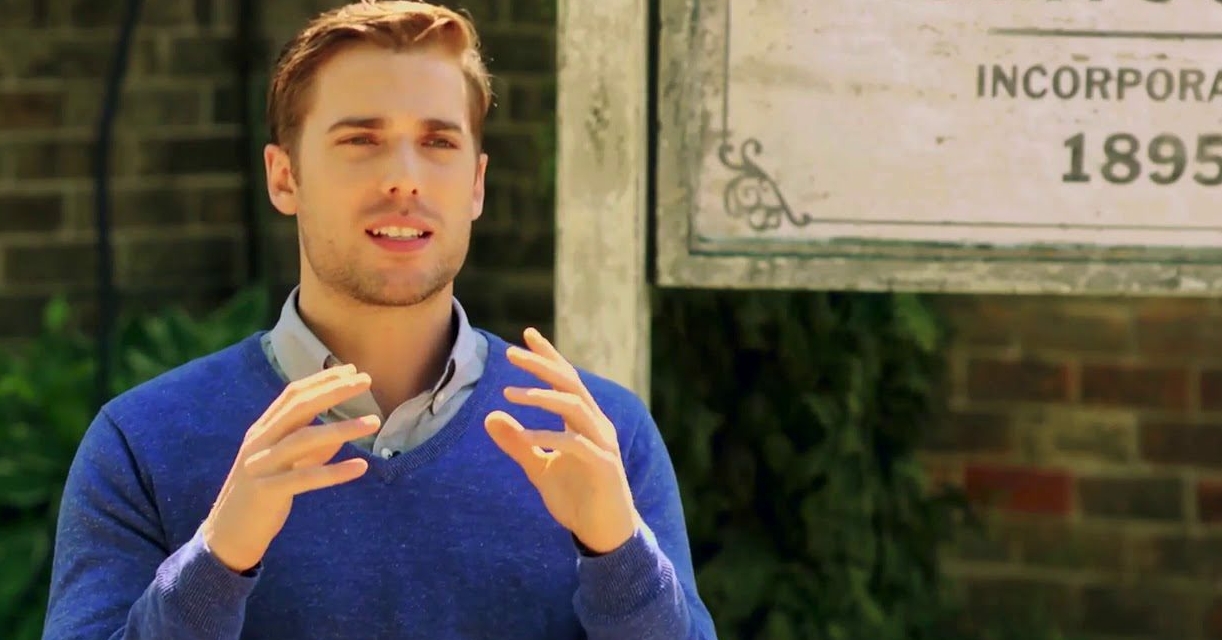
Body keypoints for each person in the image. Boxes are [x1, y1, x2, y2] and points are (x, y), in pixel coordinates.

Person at [41, 1, 716, 638]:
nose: (404, 178)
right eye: (361, 139)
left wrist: (618, 553)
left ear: (476, 184)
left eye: (438, 141)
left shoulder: (598, 435)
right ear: (283, 178)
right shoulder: (144, 444)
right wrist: (217, 559)